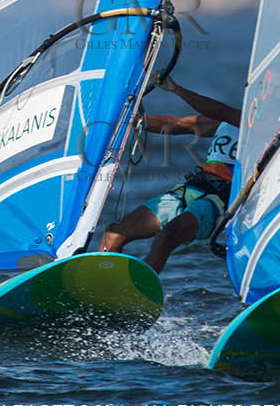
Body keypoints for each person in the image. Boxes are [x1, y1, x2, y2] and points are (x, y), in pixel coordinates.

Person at [96, 74, 239, 272]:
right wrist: (135, 121)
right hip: (193, 188)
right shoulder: (225, 125)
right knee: (115, 233)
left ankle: (139, 290)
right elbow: (180, 124)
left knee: (166, 236)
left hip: (220, 200)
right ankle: (101, 284)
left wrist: (176, 89)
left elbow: (222, 111)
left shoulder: (264, 127)